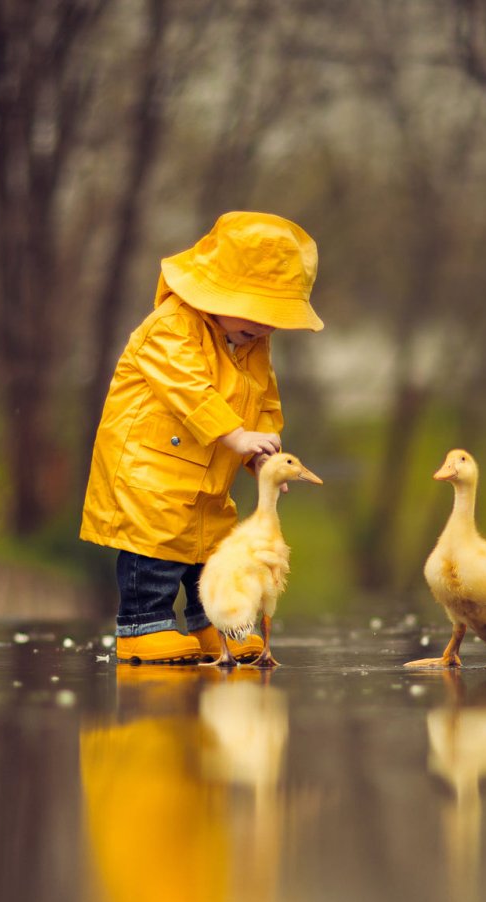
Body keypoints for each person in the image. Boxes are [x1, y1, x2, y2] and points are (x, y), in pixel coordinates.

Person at [80, 211, 324, 663]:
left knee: (216, 554)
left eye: (274, 319)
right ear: (214, 291)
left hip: (209, 475)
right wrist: (233, 434)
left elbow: (265, 400)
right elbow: (188, 388)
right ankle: (142, 627)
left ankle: (219, 624)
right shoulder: (169, 327)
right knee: (154, 551)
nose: (265, 328)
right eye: (257, 314)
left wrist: (261, 454)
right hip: (150, 471)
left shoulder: (249, 343)